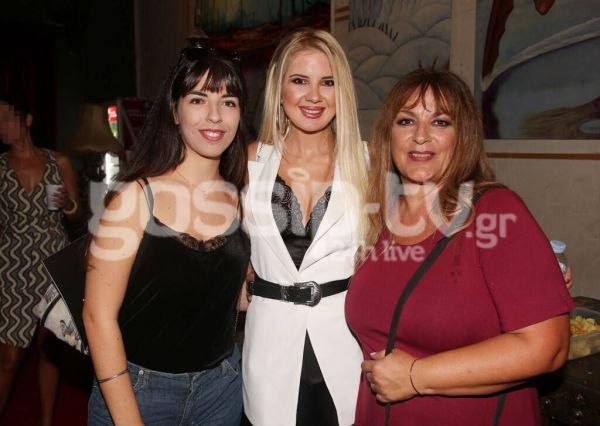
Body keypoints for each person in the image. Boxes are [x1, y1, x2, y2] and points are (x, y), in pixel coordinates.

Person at [345, 69, 574, 425]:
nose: (421, 136)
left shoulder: (495, 212)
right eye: (406, 120)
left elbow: (547, 346)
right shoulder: (377, 222)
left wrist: (416, 376)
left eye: (440, 122)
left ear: (463, 135)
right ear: (388, 135)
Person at [82, 44, 250, 425]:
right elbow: (97, 316)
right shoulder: (135, 197)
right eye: (198, 100)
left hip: (220, 390)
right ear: (174, 111)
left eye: (228, 102)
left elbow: (230, 298)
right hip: (138, 389)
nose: (215, 115)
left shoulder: (240, 197)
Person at [243, 27, 369, 425]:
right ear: (279, 90)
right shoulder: (248, 162)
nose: (314, 96)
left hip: (347, 350)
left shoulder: (369, 163)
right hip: (269, 351)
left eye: (327, 82)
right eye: (300, 81)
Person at [0, 97, 80, 425]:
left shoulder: (58, 161)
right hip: (12, 266)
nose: (2, 127)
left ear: (27, 120)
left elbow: (76, 213)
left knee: (50, 350)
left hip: (53, 259)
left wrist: (67, 204)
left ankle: (46, 421)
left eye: (7, 118)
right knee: (9, 357)